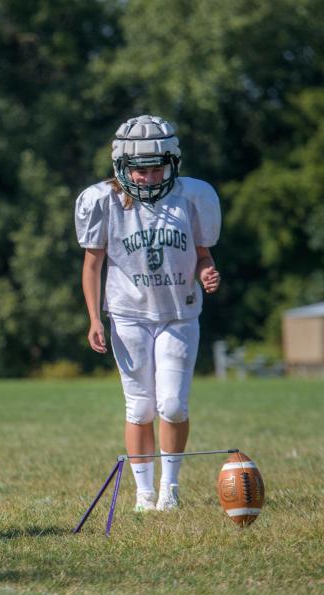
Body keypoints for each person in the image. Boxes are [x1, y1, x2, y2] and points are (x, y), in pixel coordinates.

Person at [76, 115, 221, 513]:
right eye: (139, 170)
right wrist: (94, 318)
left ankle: (170, 487)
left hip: (178, 313)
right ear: (122, 168)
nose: (148, 177)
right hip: (128, 314)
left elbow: (203, 255)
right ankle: (143, 493)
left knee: (172, 404)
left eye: (156, 168)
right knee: (139, 406)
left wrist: (206, 270)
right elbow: (92, 265)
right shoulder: (103, 202)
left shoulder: (191, 198)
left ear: (173, 163)